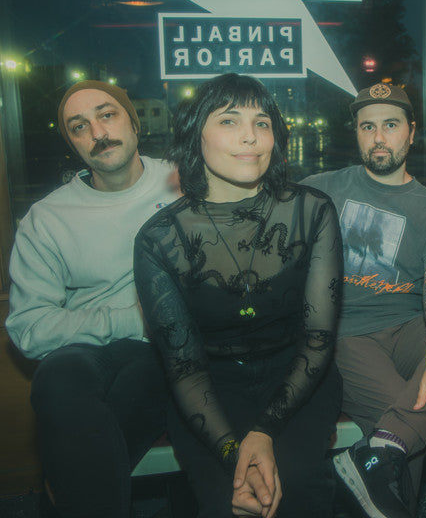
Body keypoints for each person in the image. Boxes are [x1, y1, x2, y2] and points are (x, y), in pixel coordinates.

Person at [133, 73, 343, 518]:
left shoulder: (312, 211)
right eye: (229, 120)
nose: (251, 136)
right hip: (209, 390)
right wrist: (236, 456)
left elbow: (318, 338)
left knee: (300, 489)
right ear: (195, 135)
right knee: (230, 502)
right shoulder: (159, 239)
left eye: (262, 123)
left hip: (299, 376)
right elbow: (185, 369)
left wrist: (264, 433)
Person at [303, 82, 426, 518]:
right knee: (406, 413)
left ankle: (374, 454)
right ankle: (388, 453)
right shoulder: (321, 189)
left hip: (411, 329)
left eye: (391, 125)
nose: (379, 137)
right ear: (356, 133)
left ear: (411, 133)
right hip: (348, 334)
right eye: (368, 127)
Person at [6, 80, 177, 518]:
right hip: (92, 346)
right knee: (57, 378)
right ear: (72, 143)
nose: (98, 133)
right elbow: (29, 328)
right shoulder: (48, 219)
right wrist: (134, 319)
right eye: (79, 126)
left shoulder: (185, 183)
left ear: (134, 124)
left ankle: (59, 498)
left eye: (107, 115)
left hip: (167, 349)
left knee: (149, 378)